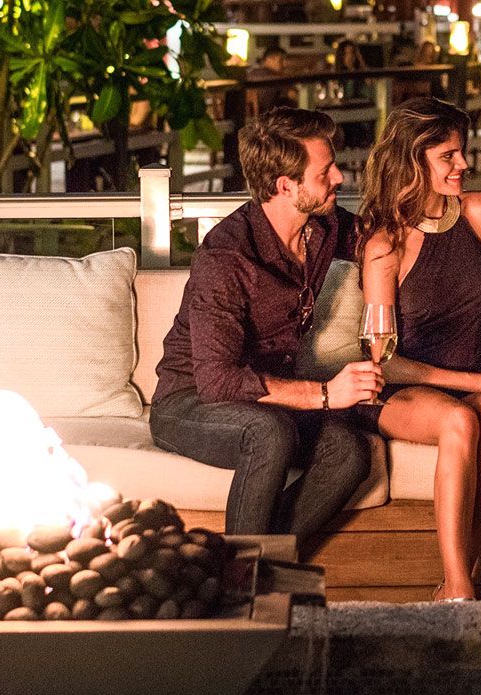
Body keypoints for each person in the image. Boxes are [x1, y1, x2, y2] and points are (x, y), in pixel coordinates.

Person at [149, 108, 383, 539]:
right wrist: (326, 393)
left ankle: (249, 569)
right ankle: (246, 583)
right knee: (269, 432)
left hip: (266, 399)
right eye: (325, 171)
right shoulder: (227, 257)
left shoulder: (324, 225)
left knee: (349, 451)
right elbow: (217, 382)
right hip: (188, 401)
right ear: (285, 186)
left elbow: (380, 238)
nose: (339, 179)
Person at [358, 98, 481, 601]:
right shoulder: (384, 247)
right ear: (413, 163)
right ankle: (461, 589)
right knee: (461, 421)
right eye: (448, 156)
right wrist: (480, 383)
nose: (463, 165)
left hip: (471, 380)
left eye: (462, 153)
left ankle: (457, 584)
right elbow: (382, 360)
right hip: (401, 392)